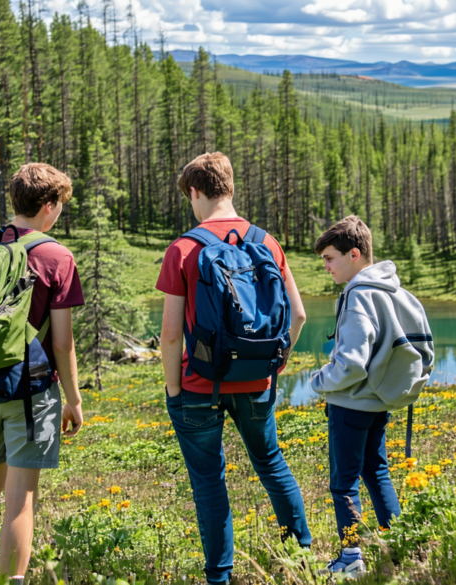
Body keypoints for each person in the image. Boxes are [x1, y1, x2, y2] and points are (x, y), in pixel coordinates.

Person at [156, 152, 312, 584]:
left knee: (209, 480)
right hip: (257, 379)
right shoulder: (267, 242)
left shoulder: (184, 248)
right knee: (271, 462)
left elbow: (171, 335)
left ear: (195, 191)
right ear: (230, 187)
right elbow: (297, 317)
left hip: (197, 383)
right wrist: (272, 365)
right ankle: (302, 556)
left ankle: (220, 577)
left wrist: (173, 391)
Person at [0, 163, 85, 581]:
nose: (60, 212)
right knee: (21, 496)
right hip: (32, 391)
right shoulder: (55, 255)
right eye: (60, 204)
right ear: (48, 205)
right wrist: (74, 399)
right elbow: (61, 342)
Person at [310, 215, 434, 578]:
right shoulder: (395, 290)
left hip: (351, 403)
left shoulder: (357, 295)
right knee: (375, 469)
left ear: (354, 253)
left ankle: (351, 558)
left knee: (343, 481)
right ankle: (400, 543)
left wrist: (319, 381)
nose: (327, 267)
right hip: (381, 400)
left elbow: (350, 364)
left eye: (330, 259)